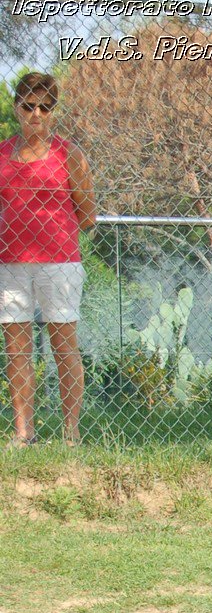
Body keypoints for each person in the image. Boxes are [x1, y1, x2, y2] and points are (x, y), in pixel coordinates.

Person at [1, 73, 96, 447]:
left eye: (45, 106)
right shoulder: (3, 154)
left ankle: (70, 433)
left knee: (64, 346)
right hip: (10, 265)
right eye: (29, 105)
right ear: (16, 108)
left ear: (53, 111)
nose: (36, 113)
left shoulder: (69, 155)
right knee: (16, 350)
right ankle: (24, 433)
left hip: (59, 263)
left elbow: (87, 214)